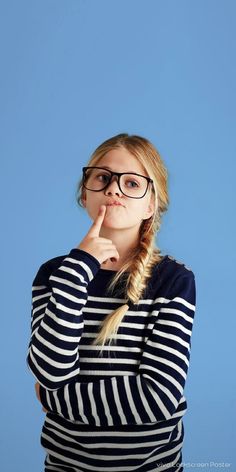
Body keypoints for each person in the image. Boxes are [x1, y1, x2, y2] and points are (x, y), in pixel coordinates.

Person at [27, 133, 196, 472]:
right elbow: (50, 369)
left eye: (132, 182)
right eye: (102, 178)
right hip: (67, 464)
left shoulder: (174, 280)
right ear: (84, 193)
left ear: (151, 204)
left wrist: (52, 398)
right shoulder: (55, 274)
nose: (114, 188)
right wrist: (78, 269)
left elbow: (157, 399)